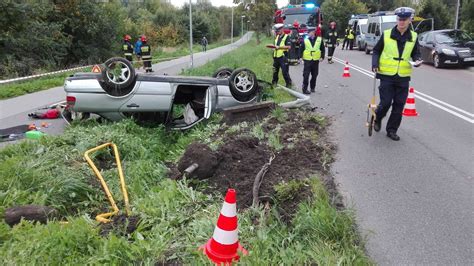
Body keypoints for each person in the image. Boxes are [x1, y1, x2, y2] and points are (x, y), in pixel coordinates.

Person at [372, 7, 422, 141]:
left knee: (399, 105)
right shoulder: (387, 34)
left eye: (404, 19)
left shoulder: (414, 37)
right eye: (399, 19)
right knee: (386, 102)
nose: (401, 22)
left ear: (409, 20)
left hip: (403, 77)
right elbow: (376, 51)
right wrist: (375, 64)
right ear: (397, 19)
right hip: (387, 75)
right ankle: (377, 117)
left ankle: (392, 130)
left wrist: (417, 60)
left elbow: (416, 53)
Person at [299, 28, 325, 94]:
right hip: (307, 60)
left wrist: (322, 57)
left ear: (313, 32)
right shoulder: (305, 40)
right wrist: (300, 57)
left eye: (309, 32)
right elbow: (301, 49)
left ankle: (312, 87)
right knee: (306, 75)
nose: (308, 34)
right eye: (308, 32)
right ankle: (304, 89)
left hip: (316, 60)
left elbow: (322, 49)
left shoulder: (319, 40)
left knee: (314, 75)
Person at [272, 24, 292, 88]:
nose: (277, 32)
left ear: (282, 29)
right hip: (276, 57)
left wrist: (279, 47)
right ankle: (274, 84)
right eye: (276, 31)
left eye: (278, 31)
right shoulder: (277, 37)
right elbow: (276, 45)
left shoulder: (287, 37)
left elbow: (289, 47)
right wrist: (274, 47)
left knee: (284, 72)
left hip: (283, 57)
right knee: (275, 72)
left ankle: (289, 84)